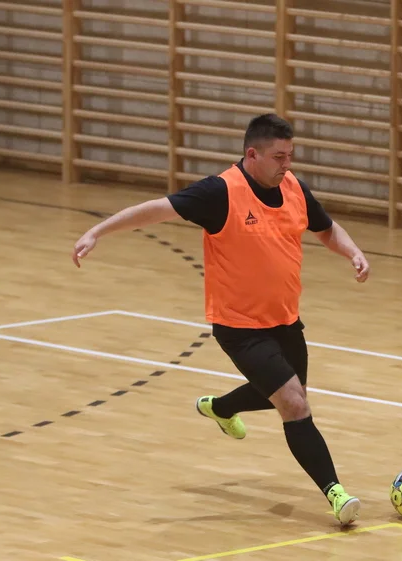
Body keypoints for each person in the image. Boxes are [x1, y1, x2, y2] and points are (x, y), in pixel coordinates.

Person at [71, 113, 370, 525]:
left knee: (287, 391)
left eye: (291, 155)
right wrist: (98, 232)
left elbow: (326, 228)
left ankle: (220, 408)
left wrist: (353, 251)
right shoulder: (220, 193)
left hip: (284, 319)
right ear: (253, 154)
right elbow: (156, 210)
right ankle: (336, 494)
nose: (287, 164)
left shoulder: (294, 188)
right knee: (294, 404)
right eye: (279, 156)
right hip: (240, 326)